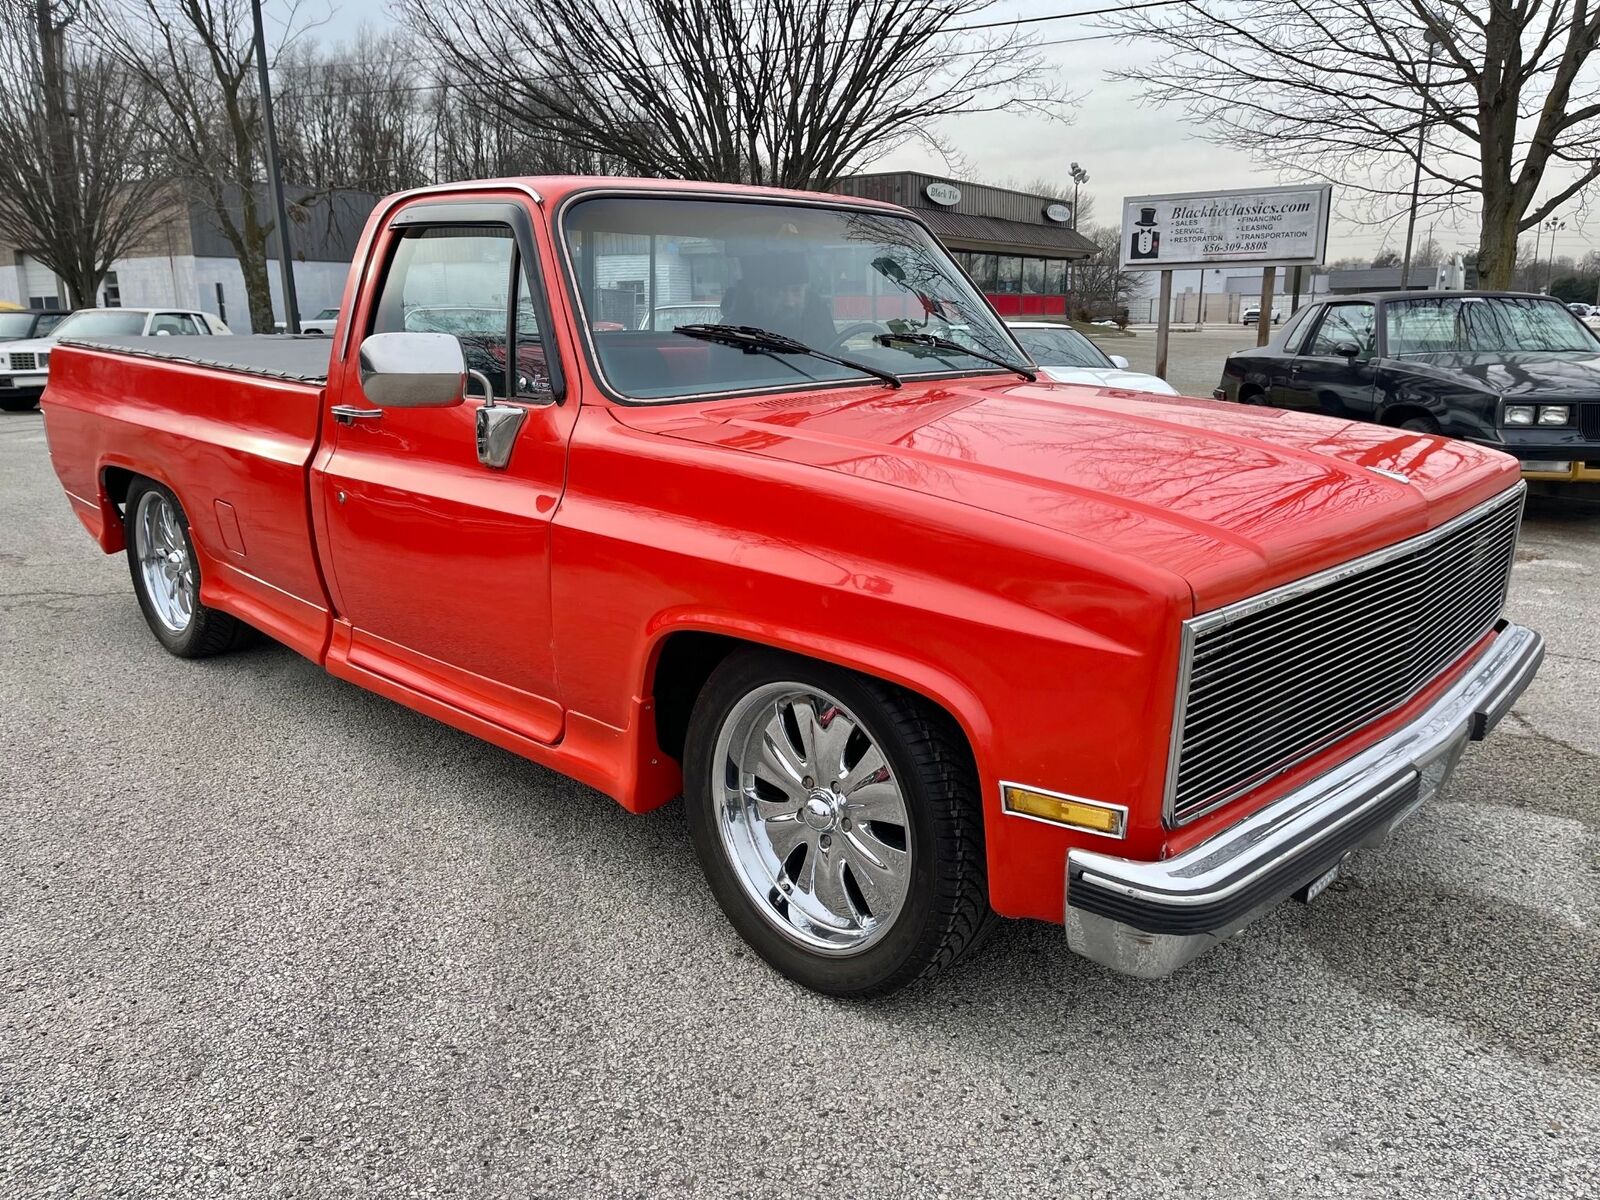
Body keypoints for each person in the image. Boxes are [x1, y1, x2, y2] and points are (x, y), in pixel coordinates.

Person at [721, 252, 836, 347]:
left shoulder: (820, 322)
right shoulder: (731, 336)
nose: (789, 302)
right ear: (759, 295)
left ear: (806, 292)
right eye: (778, 293)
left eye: (796, 291)